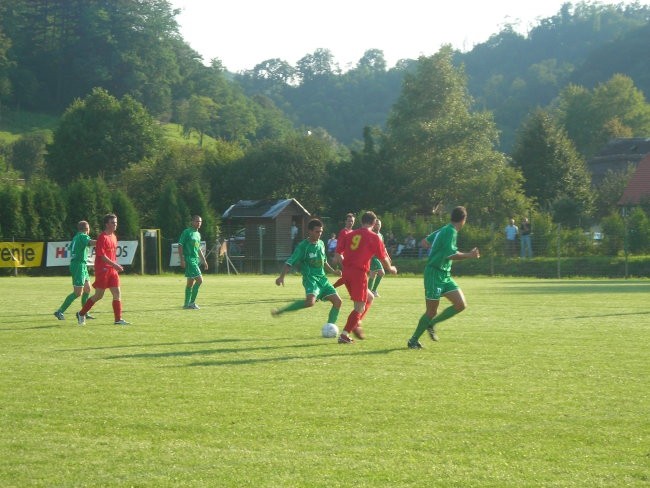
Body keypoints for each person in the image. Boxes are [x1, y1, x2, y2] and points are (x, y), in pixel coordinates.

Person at [407, 206, 480, 349]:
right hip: (434, 274)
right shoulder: (450, 231)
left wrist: (437, 250)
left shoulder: (444, 229)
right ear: (463, 220)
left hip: (445, 274)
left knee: (461, 304)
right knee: (431, 311)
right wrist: (469, 255)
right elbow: (450, 255)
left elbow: (424, 242)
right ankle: (413, 340)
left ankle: (432, 323)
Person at [335, 211, 397, 344]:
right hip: (359, 273)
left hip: (347, 272)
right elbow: (383, 257)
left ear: (361, 221)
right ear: (374, 223)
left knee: (370, 297)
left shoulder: (350, 234)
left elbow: (337, 254)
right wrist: (390, 268)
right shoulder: (373, 237)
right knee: (359, 307)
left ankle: (356, 322)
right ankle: (345, 334)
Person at [272, 219, 342, 327]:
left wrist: (333, 271)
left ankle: (330, 327)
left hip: (323, 280)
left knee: (338, 302)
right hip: (311, 279)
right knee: (310, 302)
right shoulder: (302, 247)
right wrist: (281, 277)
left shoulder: (321, 244)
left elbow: (324, 262)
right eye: (317, 232)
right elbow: (290, 262)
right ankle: (281, 311)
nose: (319, 234)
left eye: (321, 232)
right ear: (310, 231)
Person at [76, 213, 130, 325]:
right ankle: (81, 313)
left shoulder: (114, 237)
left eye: (116, 222)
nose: (115, 224)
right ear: (106, 224)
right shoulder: (102, 237)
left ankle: (118, 319)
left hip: (112, 270)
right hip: (103, 270)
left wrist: (114, 266)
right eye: (112, 222)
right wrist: (115, 265)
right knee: (99, 295)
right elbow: (101, 256)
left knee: (117, 293)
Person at [54, 220, 97, 321]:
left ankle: (84, 312)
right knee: (78, 292)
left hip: (80, 264)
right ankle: (60, 311)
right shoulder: (83, 236)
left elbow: (72, 249)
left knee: (87, 289)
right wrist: (104, 239)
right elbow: (91, 243)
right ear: (87, 229)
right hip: (79, 265)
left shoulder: (76, 237)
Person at [178, 215, 208, 309]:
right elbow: (180, 245)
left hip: (195, 260)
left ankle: (186, 304)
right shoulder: (187, 232)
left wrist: (204, 261)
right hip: (189, 259)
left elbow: (198, 249)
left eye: (200, 222)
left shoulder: (198, 234)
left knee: (190, 283)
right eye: (197, 221)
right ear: (192, 222)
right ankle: (192, 303)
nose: (199, 223)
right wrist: (182, 259)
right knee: (200, 280)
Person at [332, 212, 356, 287]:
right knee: (349, 276)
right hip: (343, 257)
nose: (350, 222)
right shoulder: (343, 232)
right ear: (345, 222)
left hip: (350, 258)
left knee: (346, 277)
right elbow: (339, 247)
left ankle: (330, 289)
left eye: (352, 221)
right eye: (349, 221)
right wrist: (338, 257)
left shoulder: (353, 232)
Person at [368, 219, 386, 297]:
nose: (378, 226)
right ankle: (373, 290)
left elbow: (383, 247)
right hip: (373, 257)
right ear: (374, 225)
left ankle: (368, 292)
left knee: (372, 275)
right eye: (376, 224)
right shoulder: (371, 234)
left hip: (377, 257)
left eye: (379, 224)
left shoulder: (381, 235)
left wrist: (387, 256)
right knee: (381, 273)